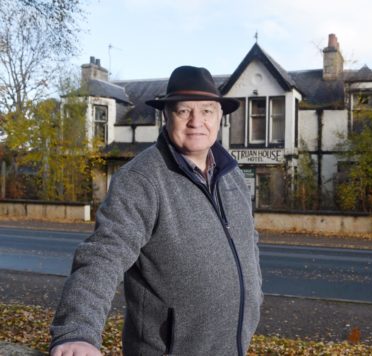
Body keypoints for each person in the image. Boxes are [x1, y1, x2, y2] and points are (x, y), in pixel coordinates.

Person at [49, 66, 263, 355]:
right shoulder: (142, 179)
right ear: (167, 115)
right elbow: (103, 256)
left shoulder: (232, 174)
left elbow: (249, 240)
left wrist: (255, 294)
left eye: (207, 111)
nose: (196, 121)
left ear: (220, 116)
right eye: (184, 111)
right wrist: (77, 332)